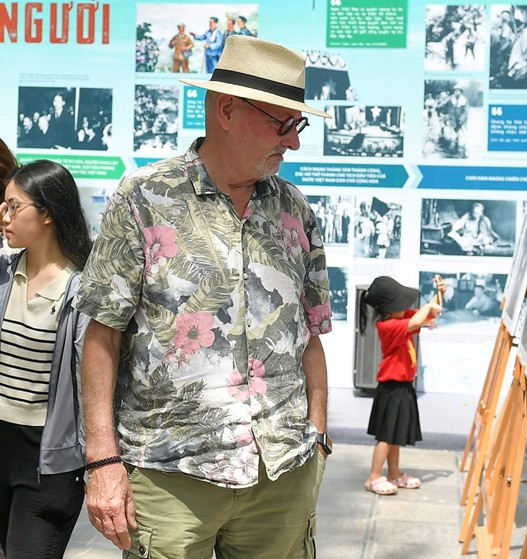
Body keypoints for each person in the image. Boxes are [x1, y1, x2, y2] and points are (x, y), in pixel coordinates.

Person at [75, 36, 334, 557]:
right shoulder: (145, 197)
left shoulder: (294, 211)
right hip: (171, 474)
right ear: (227, 110)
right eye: (283, 124)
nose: (293, 143)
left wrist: (319, 439)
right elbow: (102, 336)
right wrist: (102, 461)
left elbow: (309, 336)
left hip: (282, 473)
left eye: (298, 126)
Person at [0, 159, 93, 558]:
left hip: (47, 462)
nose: (4, 216)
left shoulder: (83, 290)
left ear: (48, 213)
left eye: (13, 206)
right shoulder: (4, 274)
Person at [360, 275, 446, 495]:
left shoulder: (401, 319)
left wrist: (439, 294)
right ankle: (374, 477)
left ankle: (394, 474)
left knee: (394, 436)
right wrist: (428, 306)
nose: (406, 307)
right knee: (386, 437)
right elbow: (419, 320)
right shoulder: (388, 325)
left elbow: (427, 315)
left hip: (402, 387)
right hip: (391, 388)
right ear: (389, 307)